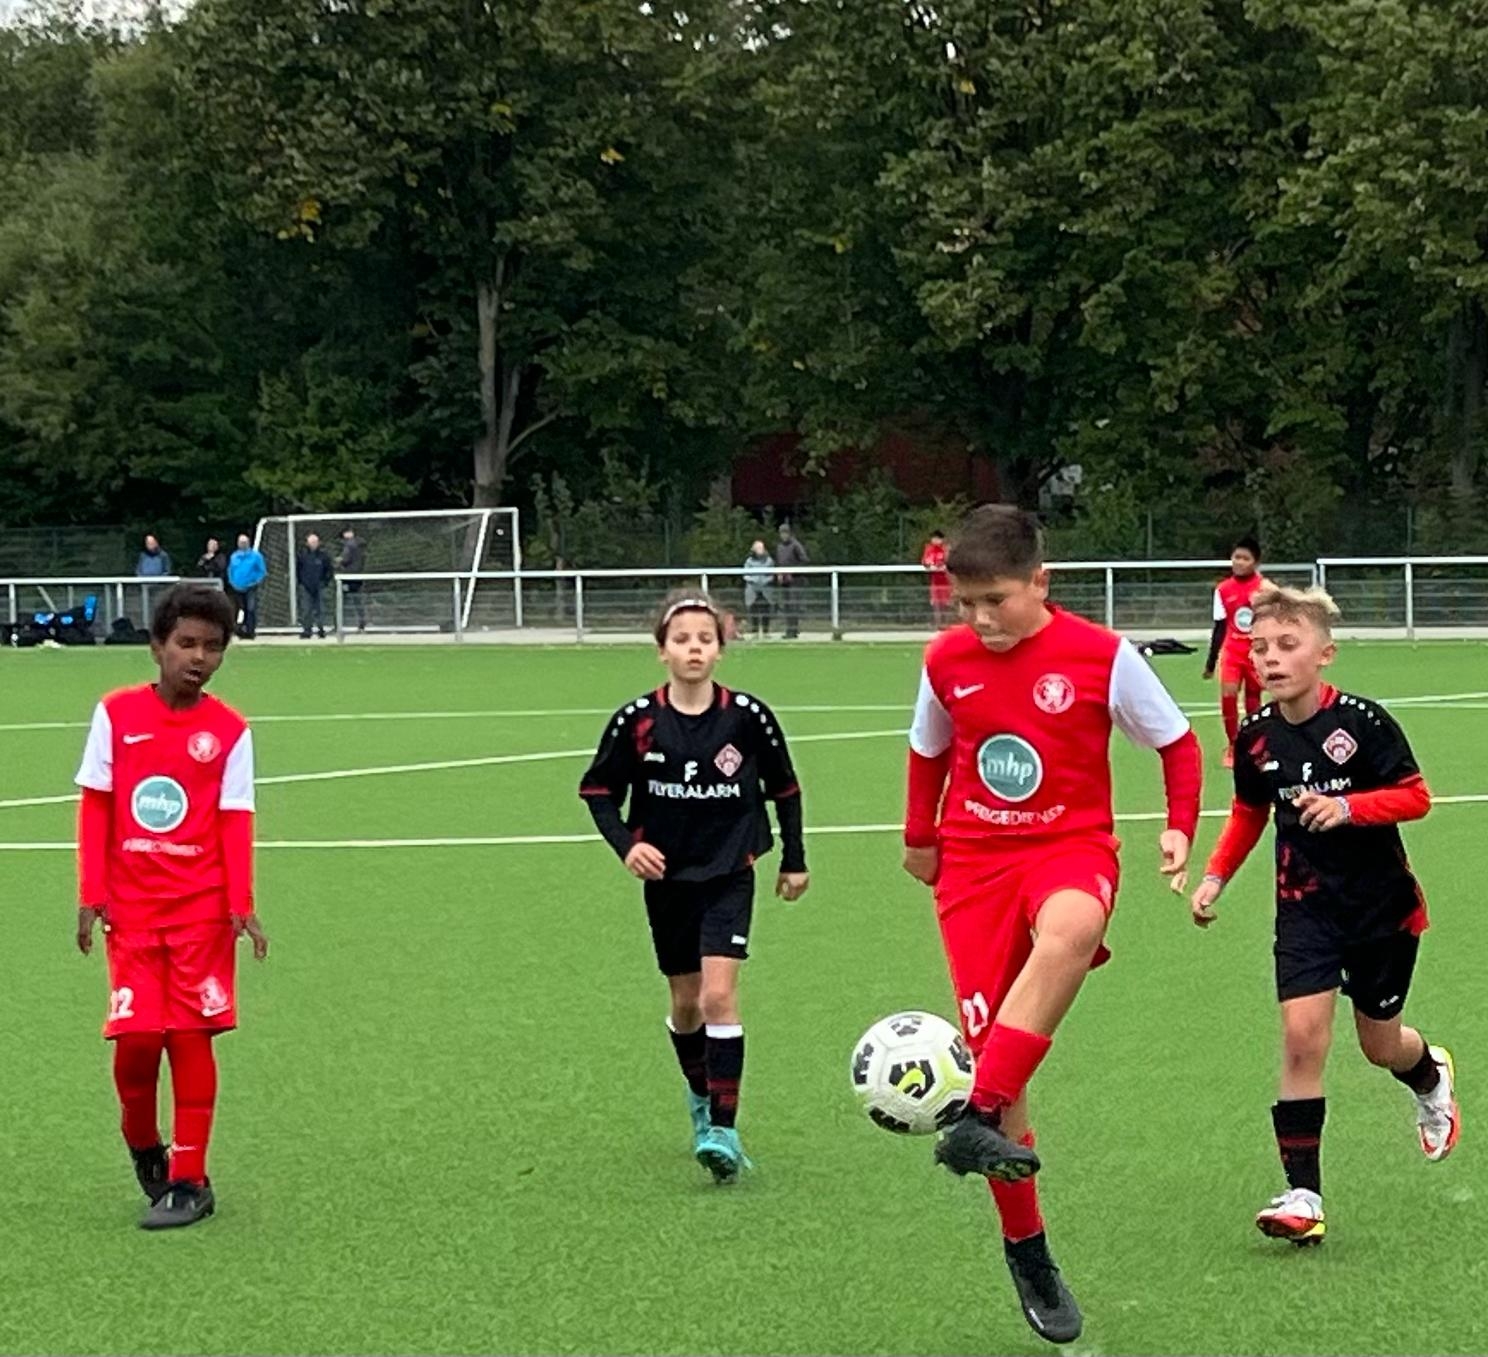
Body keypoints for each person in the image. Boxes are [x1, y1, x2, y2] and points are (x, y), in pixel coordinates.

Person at [902, 505, 1201, 1344]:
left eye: (995, 599)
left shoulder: (1103, 656)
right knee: (1001, 1051)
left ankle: (976, 1110)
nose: (979, 618)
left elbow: (1177, 743)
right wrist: (920, 836)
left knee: (1072, 928)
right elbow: (928, 749)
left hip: (1071, 845)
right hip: (972, 866)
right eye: (964, 602)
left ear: (1041, 581)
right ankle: (1028, 1249)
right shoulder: (945, 659)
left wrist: (1179, 824)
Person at [1190, 584, 1457, 1248]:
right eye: (1260, 648)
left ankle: (1428, 1075)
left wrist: (1347, 808)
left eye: (1287, 645)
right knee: (1302, 1038)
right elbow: (1250, 812)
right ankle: (1303, 1195)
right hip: (1304, 909)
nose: (1270, 659)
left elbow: (1416, 797)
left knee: (1380, 1046)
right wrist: (1216, 874)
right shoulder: (1256, 737)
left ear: (1324, 653)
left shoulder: (1363, 722)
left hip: (1381, 911)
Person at [579, 588, 809, 1184]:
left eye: (705, 639)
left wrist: (794, 859)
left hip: (730, 873)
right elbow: (598, 791)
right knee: (685, 1004)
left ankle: (724, 1130)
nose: (694, 649)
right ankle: (701, 1099)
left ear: (720, 649)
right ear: (662, 650)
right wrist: (628, 846)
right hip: (668, 881)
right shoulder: (637, 721)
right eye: (681, 640)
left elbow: (785, 789)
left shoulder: (748, 717)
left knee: (717, 998)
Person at [73, 583, 270, 1230]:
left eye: (213, 647)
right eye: (186, 643)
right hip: (132, 911)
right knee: (135, 1041)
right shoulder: (116, 714)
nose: (199, 657)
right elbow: (97, 804)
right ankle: (143, 1143)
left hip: (200, 912)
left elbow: (235, 819)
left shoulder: (231, 730)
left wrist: (241, 903)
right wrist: (91, 892)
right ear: (157, 646)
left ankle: (190, 1178)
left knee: (189, 1036)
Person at [1203, 535, 1267, 767]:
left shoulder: (1264, 589)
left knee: (1253, 698)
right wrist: (1211, 662)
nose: (1239, 562)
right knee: (1228, 695)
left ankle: (1255, 744)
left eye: (1245, 558)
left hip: (1255, 652)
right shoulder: (1223, 590)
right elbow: (1219, 627)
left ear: (1255, 562)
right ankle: (1233, 745)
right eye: (1236, 557)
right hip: (1233, 652)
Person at [226, 534, 267, 640]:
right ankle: (239, 630)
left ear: (248, 543)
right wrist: (232, 582)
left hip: (250, 588)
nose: (242, 544)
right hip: (236, 588)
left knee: (250, 609)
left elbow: (262, 571)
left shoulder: (256, 556)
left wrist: (255, 582)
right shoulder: (234, 556)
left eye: (244, 542)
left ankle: (250, 631)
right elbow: (230, 570)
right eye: (241, 542)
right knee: (238, 610)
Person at [296, 532, 335, 639]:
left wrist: (324, 582)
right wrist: (302, 582)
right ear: (307, 543)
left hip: (320, 586)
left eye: (315, 542)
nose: (313, 544)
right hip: (306, 586)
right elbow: (298, 570)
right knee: (306, 609)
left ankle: (321, 630)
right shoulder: (302, 555)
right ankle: (307, 630)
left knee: (321, 609)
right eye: (311, 542)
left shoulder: (324, 556)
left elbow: (329, 570)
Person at [773, 524, 808, 638]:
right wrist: (779, 573)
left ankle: (793, 630)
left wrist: (792, 572)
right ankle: (789, 629)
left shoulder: (796, 545)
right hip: (784, 581)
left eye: (785, 533)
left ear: (789, 533)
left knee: (794, 605)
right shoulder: (779, 547)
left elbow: (804, 560)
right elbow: (779, 562)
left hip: (796, 580)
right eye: (782, 533)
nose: (784, 535)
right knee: (786, 606)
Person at [741, 540, 775, 638]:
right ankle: (754, 632)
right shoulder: (749, 561)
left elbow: (772, 574)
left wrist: (765, 580)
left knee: (766, 610)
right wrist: (754, 580)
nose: (760, 550)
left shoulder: (769, 561)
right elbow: (745, 575)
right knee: (753, 610)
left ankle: (766, 632)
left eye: (762, 548)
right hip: (752, 589)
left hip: (765, 589)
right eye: (758, 548)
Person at [337, 527, 368, 631]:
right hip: (358, 575)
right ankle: (362, 622)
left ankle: (339, 624)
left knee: (342, 599)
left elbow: (345, 559)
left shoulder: (349, 545)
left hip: (348, 576)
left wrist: (339, 561)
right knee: (357, 600)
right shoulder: (361, 545)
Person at [920, 528, 951, 627]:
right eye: (933, 538)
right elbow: (925, 561)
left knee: (946, 604)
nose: (935, 540)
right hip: (935, 582)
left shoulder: (946, 548)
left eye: (937, 538)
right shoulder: (929, 548)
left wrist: (942, 565)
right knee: (936, 603)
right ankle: (938, 624)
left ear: (942, 539)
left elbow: (948, 561)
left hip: (946, 582)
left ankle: (946, 624)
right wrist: (930, 566)